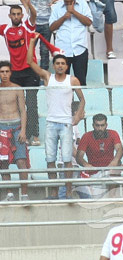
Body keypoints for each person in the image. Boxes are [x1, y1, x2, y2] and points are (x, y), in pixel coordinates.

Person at [26, 35, 85, 199]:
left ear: (67, 66)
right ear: (53, 65)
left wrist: (78, 115)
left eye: (62, 63)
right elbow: (30, 62)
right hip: (51, 123)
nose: (60, 66)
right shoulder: (48, 77)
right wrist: (32, 43)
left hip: (66, 124)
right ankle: (54, 191)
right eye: (57, 63)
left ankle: (68, 191)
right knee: (50, 160)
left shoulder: (72, 80)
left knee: (67, 160)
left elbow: (82, 99)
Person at [1, 0, 57, 147]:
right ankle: (21, 135)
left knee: (31, 104)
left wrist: (28, 4)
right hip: (15, 72)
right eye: (13, 14)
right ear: (9, 16)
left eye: (18, 14)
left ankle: (35, 135)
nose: (16, 17)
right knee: (18, 105)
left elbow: (34, 15)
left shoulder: (27, 26)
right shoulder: (5, 29)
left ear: (21, 15)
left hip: (30, 71)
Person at [19, 0, 62, 73]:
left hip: (47, 22)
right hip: (33, 23)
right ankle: (30, 73)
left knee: (44, 50)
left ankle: (44, 74)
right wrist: (26, 5)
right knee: (30, 48)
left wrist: (54, 0)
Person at [48, 0, 92, 86]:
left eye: (70, 0)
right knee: (62, 82)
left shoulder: (83, 4)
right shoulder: (57, 7)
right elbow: (51, 27)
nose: (68, 3)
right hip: (62, 49)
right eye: (66, 1)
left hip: (80, 48)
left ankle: (81, 97)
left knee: (81, 81)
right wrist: (64, 17)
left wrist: (73, 12)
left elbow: (89, 22)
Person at [75, 113, 123, 198]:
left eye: (102, 125)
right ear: (93, 125)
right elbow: (79, 156)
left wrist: (115, 161)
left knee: (118, 162)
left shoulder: (113, 134)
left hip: (109, 170)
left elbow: (120, 149)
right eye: (97, 125)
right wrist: (86, 164)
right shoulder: (86, 136)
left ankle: (112, 196)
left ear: (106, 125)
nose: (100, 128)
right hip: (94, 172)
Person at [0, 62, 29, 201]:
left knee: (21, 161)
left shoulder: (17, 88)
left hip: (17, 127)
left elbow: (23, 110)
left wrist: (23, 130)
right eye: (2, 72)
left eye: (7, 71)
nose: (4, 74)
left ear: (10, 73)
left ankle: (24, 194)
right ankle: (10, 194)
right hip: (1, 127)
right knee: (3, 162)